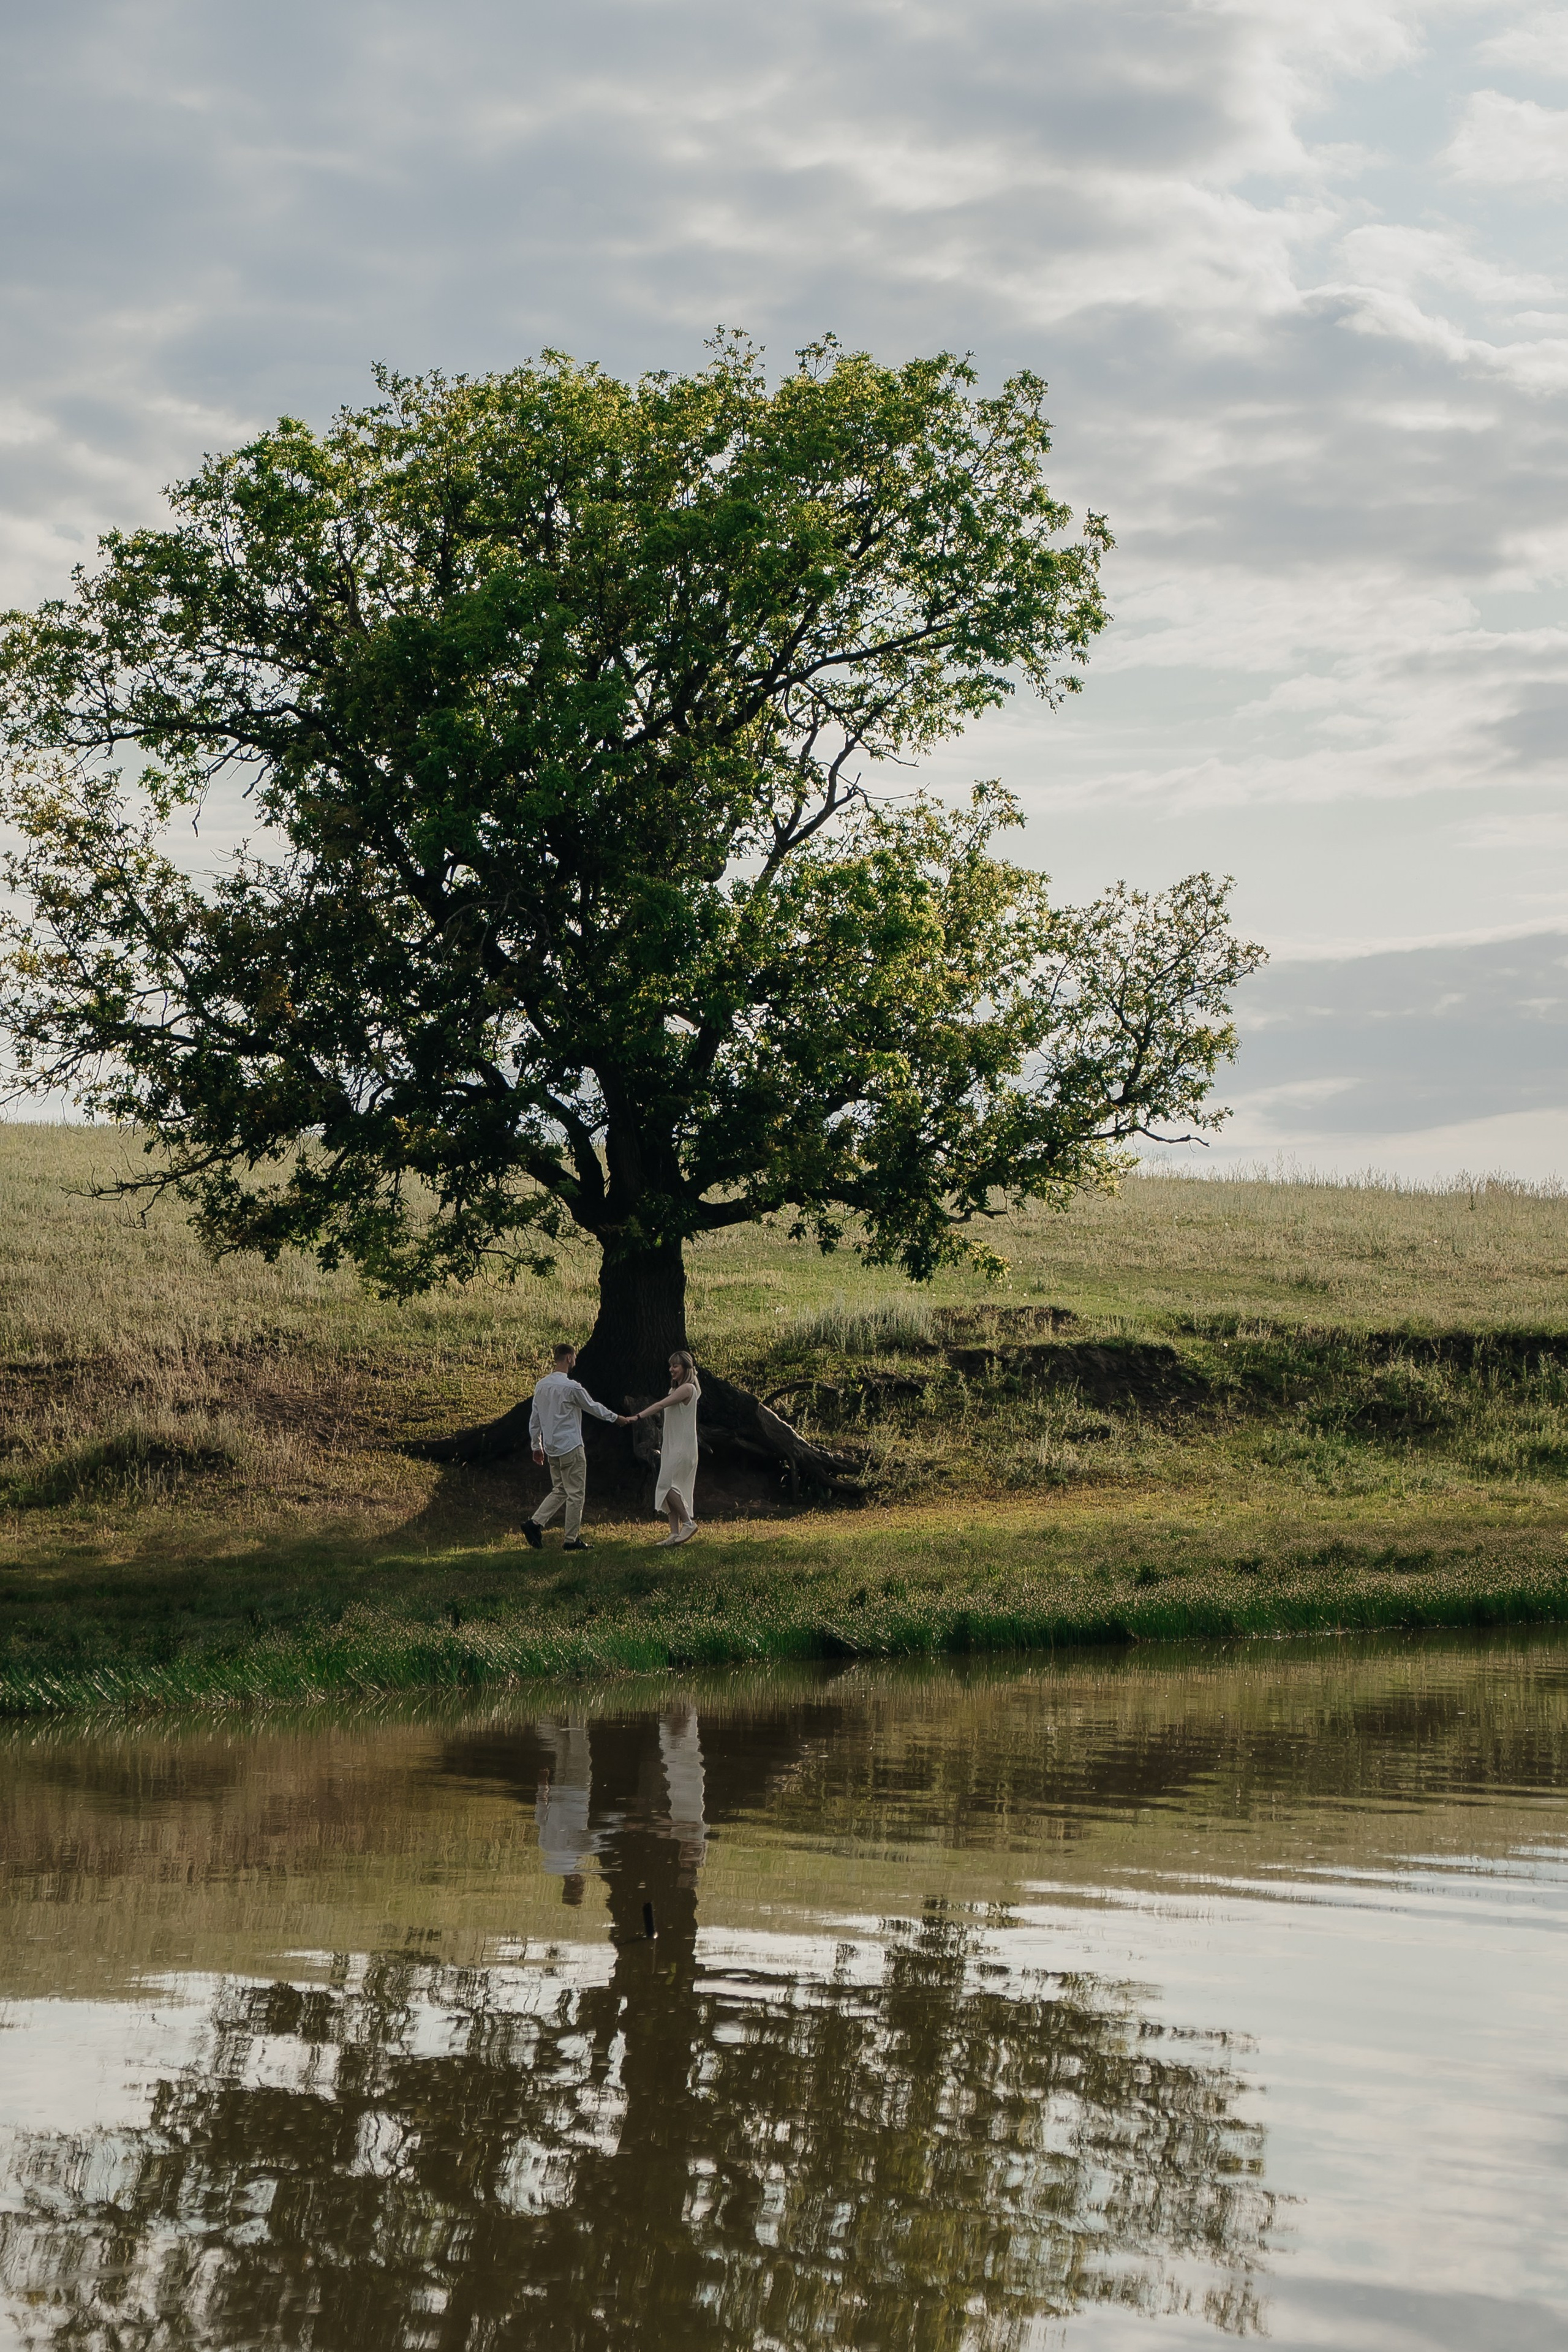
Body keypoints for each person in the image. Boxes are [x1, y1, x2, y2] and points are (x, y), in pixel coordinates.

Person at [522, 1344, 619, 1551]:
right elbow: (593, 1407)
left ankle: (534, 1523)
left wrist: (536, 1446)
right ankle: (571, 1539)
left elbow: (535, 1419)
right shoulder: (571, 1387)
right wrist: (616, 1418)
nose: (574, 1361)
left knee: (560, 1490)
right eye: (573, 1357)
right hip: (571, 1446)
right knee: (575, 1493)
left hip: (552, 1448)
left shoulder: (541, 1386)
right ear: (568, 1358)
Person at [624, 1350, 702, 1545]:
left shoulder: (687, 1389)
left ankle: (688, 1523)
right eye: (671, 1366)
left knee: (666, 1485)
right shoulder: (674, 1390)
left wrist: (638, 1417)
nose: (671, 1369)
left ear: (685, 1368)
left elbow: (659, 1406)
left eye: (675, 1366)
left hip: (683, 1446)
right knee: (668, 1485)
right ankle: (674, 1534)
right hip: (671, 1445)